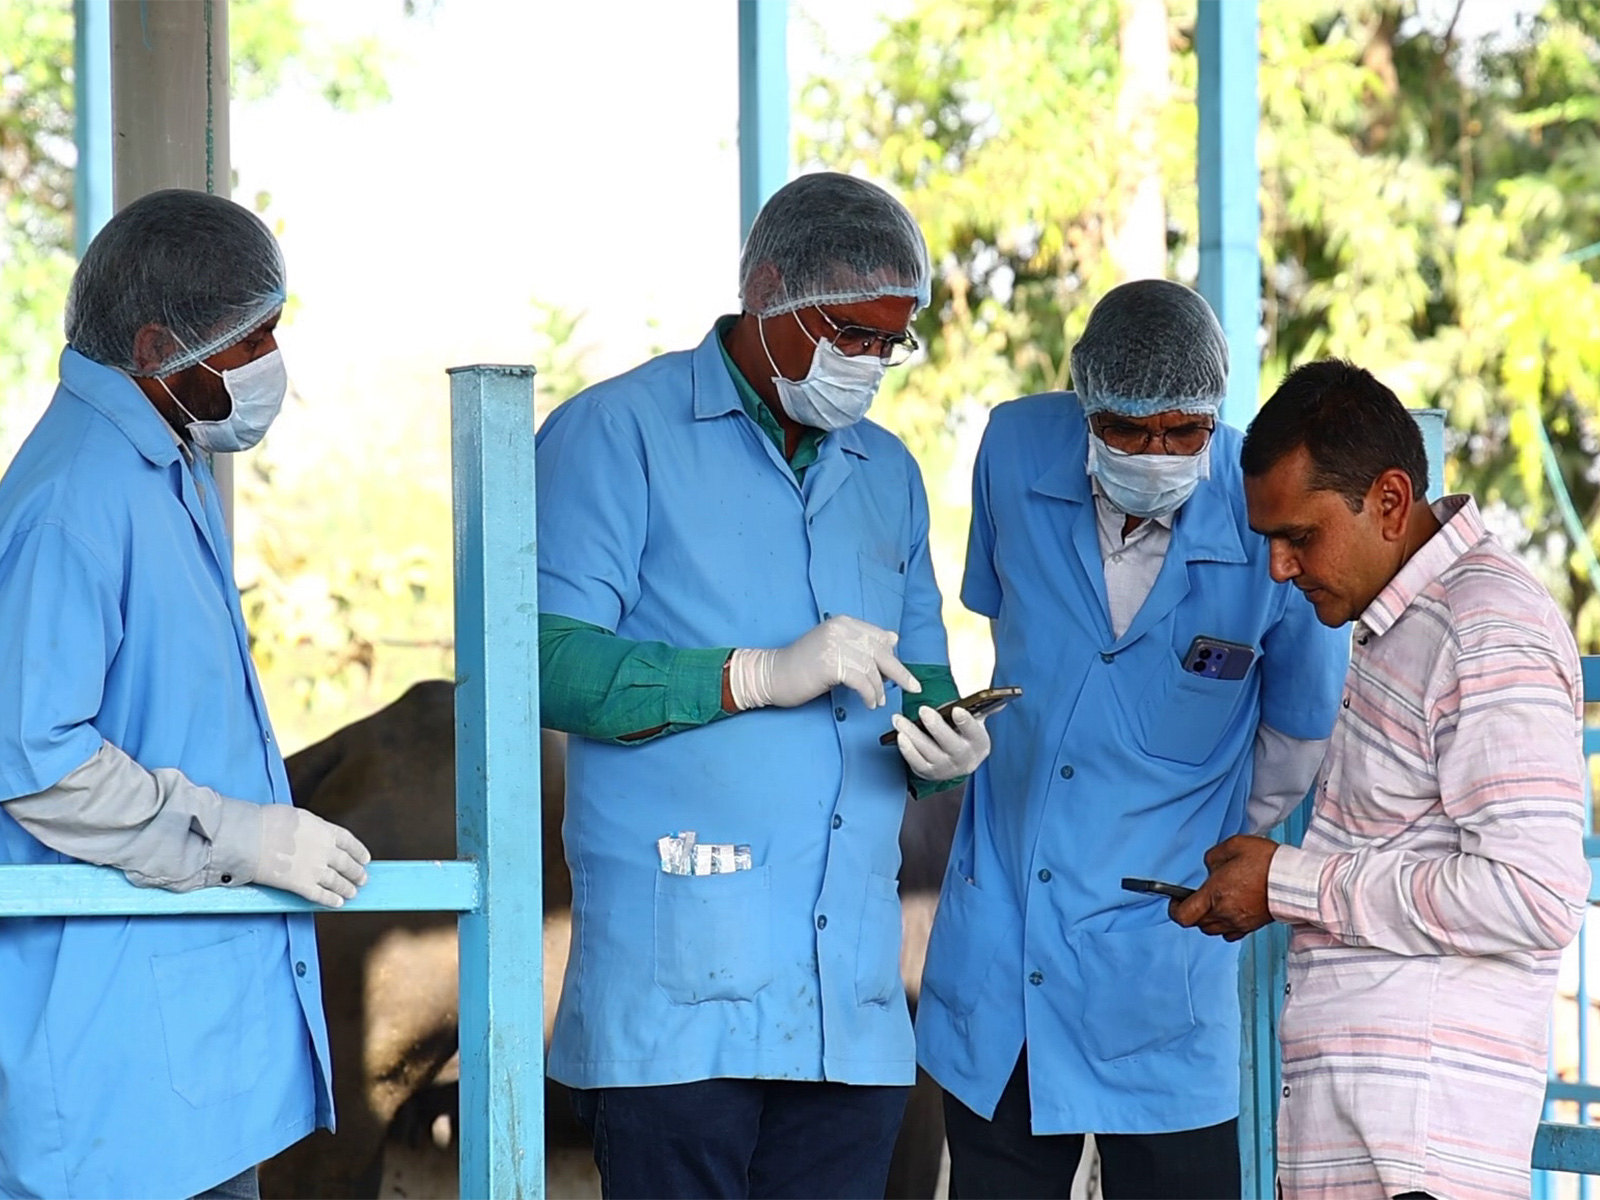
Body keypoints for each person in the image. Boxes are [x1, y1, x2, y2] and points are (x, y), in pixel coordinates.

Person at [532, 171, 989, 1199]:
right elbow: (541, 666)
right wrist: (751, 676)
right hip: (678, 1008)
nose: (868, 363)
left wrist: (940, 746)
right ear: (767, 290)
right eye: (848, 333)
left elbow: (919, 683)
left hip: (850, 1006)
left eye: (889, 341)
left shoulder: (887, 472)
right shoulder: (616, 435)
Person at [916, 280, 1350, 1198]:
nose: (1156, 451)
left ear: (1215, 415)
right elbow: (1009, 628)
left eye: (1183, 430)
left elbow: (1296, 735)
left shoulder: (1266, 502)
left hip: (1160, 942)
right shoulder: (1012, 448)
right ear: (1083, 405)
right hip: (1008, 929)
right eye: (1124, 430)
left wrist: (1197, 829)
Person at [0, 189, 371, 1200]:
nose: (270, 368)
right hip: (112, 1066)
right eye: (254, 342)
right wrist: (237, 837)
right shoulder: (76, 500)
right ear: (162, 343)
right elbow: (33, 760)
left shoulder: (161, 469)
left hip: (172, 1058)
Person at [1175, 359, 1589, 1200]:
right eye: (1270, 543)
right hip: (1372, 1153)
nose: (1281, 570)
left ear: (1390, 502)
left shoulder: (1485, 629)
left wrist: (1290, 884)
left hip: (1422, 1163)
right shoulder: (1401, 625)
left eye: (1300, 536)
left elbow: (1532, 896)